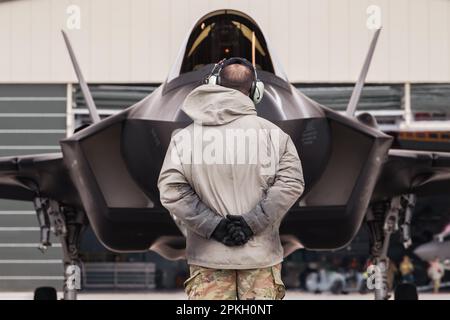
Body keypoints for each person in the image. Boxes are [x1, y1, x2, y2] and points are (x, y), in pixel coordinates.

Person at [158, 57, 305, 300]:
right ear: (256, 91)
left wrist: (214, 227)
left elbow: (172, 190)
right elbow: (291, 184)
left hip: (208, 260)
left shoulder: (184, 139)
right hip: (260, 260)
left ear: (214, 84)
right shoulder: (275, 137)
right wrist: (251, 224)